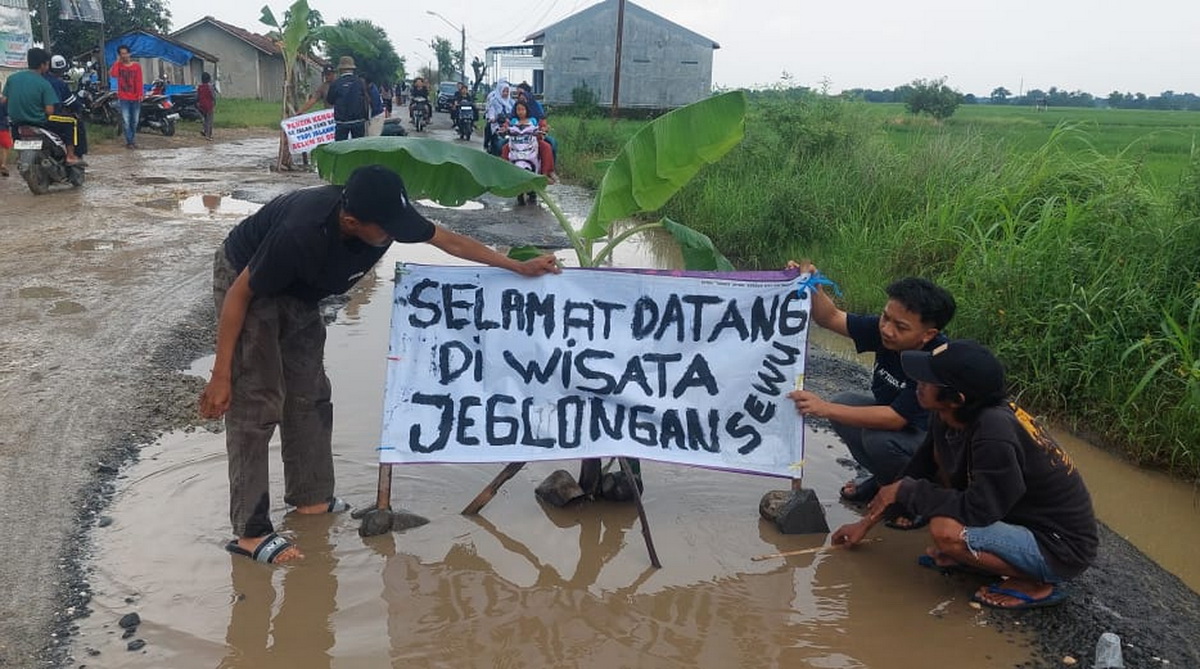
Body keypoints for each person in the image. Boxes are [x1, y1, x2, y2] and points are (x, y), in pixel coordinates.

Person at [198, 164, 561, 564]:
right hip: (249, 283)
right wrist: (221, 375)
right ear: (351, 221)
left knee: (311, 395)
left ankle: (311, 500)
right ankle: (251, 532)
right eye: (387, 230)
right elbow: (238, 295)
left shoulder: (386, 214)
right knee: (258, 400)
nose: (396, 235)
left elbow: (451, 242)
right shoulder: (299, 232)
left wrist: (517, 267)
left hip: (301, 293)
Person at [831, 340, 1098, 610]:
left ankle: (1036, 582)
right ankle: (978, 559)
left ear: (957, 398)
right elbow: (918, 468)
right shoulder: (948, 413)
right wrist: (866, 523)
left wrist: (909, 492)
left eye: (928, 380)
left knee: (946, 532)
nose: (918, 383)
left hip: (1059, 548)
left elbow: (980, 508)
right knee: (937, 474)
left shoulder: (994, 431)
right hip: (1014, 516)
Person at [787, 265, 955, 520]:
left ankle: (916, 501)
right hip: (904, 431)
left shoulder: (936, 360)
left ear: (928, 334)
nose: (887, 329)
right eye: (885, 317)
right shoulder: (885, 332)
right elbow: (829, 318)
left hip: (938, 448)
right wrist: (813, 285)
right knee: (846, 403)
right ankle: (884, 482)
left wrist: (823, 408)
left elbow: (896, 418)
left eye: (900, 326)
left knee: (878, 440)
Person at [3, 48, 82, 164]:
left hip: (16, 123)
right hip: (39, 122)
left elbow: (4, 100)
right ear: (43, 65)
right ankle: (70, 155)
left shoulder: (12, 79)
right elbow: (49, 110)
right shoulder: (44, 83)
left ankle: (20, 155)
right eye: (47, 63)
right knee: (72, 122)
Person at [500, 100, 555, 188]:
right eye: (518, 109)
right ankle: (504, 173)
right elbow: (507, 126)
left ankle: (545, 174)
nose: (520, 112)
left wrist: (543, 129)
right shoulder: (513, 120)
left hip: (531, 142)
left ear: (527, 109)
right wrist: (504, 129)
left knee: (547, 147)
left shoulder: (533, 120)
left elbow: (541, 126)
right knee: (504, 148)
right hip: (516, 142)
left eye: (522, 109)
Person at [43, 54, 87, 157]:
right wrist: (80, 108)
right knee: (74, 122)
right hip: (51, 117)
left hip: (33, 117)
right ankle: (72, 155)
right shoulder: (59, 83)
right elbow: (71, 102)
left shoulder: (40, 79)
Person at [325, 56, 368, 141]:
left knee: (340, 149)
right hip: (358, 120)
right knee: (358, 148)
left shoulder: (335, 84)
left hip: (342, 122)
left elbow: (330, 101)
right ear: (353, 69)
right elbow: (365, 98)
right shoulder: (360, 82)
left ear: (340, 69)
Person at [110, 44, 143, 149]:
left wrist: (140, 94)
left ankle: (132, 139)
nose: (124, 55)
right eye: (121, 54)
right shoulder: (119, 66)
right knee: (126, 120)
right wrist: (117, 61)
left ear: (129, 53)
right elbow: (113, 74)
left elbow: (139, 81)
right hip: (124, 97)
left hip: (135, 97)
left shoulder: (136, 66)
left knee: (135, 120)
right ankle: (130, 142)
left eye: (125, 53)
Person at [484, 79, 514, 155]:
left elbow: (515, 112)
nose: (505, 93)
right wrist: (492, 118)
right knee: (489, 129)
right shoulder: (494, 101)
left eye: (507, 91)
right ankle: (488, 145)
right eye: (504, 91)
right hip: (497, 124)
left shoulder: (511, 102)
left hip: (510, 124)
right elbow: (491, 110)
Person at [197, 71, 217, 140]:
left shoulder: (200, 87)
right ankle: (208, 135)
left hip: (201, 105)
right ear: (209, 79)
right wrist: (214, 103)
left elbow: (198, 96)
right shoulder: (210, 87)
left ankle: (204, 130)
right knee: (209, 120)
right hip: (209, 105)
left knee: (205, 119)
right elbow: (213, 96)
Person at [0, 87, 10, 177]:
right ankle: (3, 164)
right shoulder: (3, 102)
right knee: (4, 148)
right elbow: (8, 113)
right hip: (2, 127)